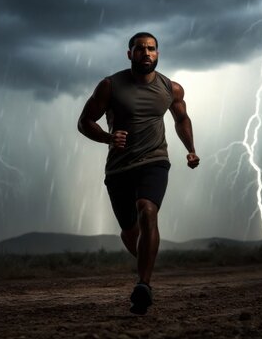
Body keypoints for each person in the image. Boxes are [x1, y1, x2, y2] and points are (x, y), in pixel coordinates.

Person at [77, 32, 199, 315]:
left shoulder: (171, 88)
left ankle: (143, 285)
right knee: (130, 231)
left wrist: (191, 149)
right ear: (129, 53)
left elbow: (181, 119)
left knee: (148, 211)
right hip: (119, 168)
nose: (147, 53)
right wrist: (108, 138)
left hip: (155, 161)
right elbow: (84, 122)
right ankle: (147, 263)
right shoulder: (110, 86)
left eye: (152, 49)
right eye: (141, 49)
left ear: (158, 53)